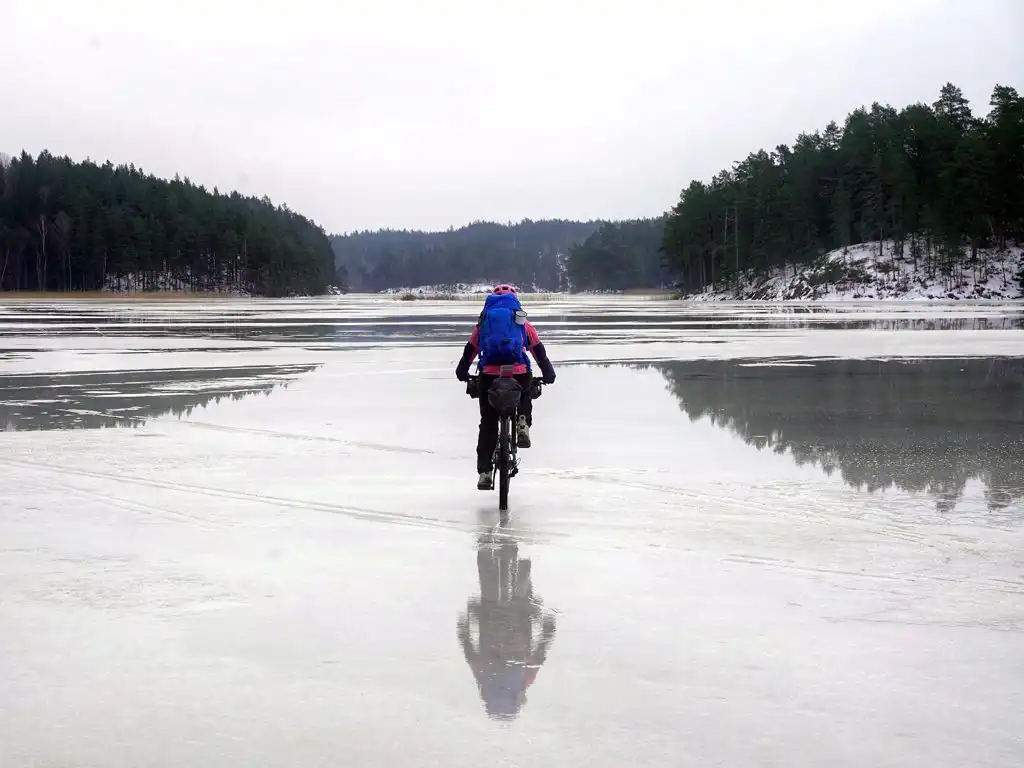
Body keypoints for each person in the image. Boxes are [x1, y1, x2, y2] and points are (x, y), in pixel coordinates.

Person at [455, 284, 556, 490]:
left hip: (489, 375)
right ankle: (522, 421)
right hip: (517, 372)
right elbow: (538, 351)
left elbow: (470, 350)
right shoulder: (522, 322)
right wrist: (548, 373)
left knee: (488, 421)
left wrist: (462, 372)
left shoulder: (483, 323)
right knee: (525, 391)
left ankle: (485, 471)